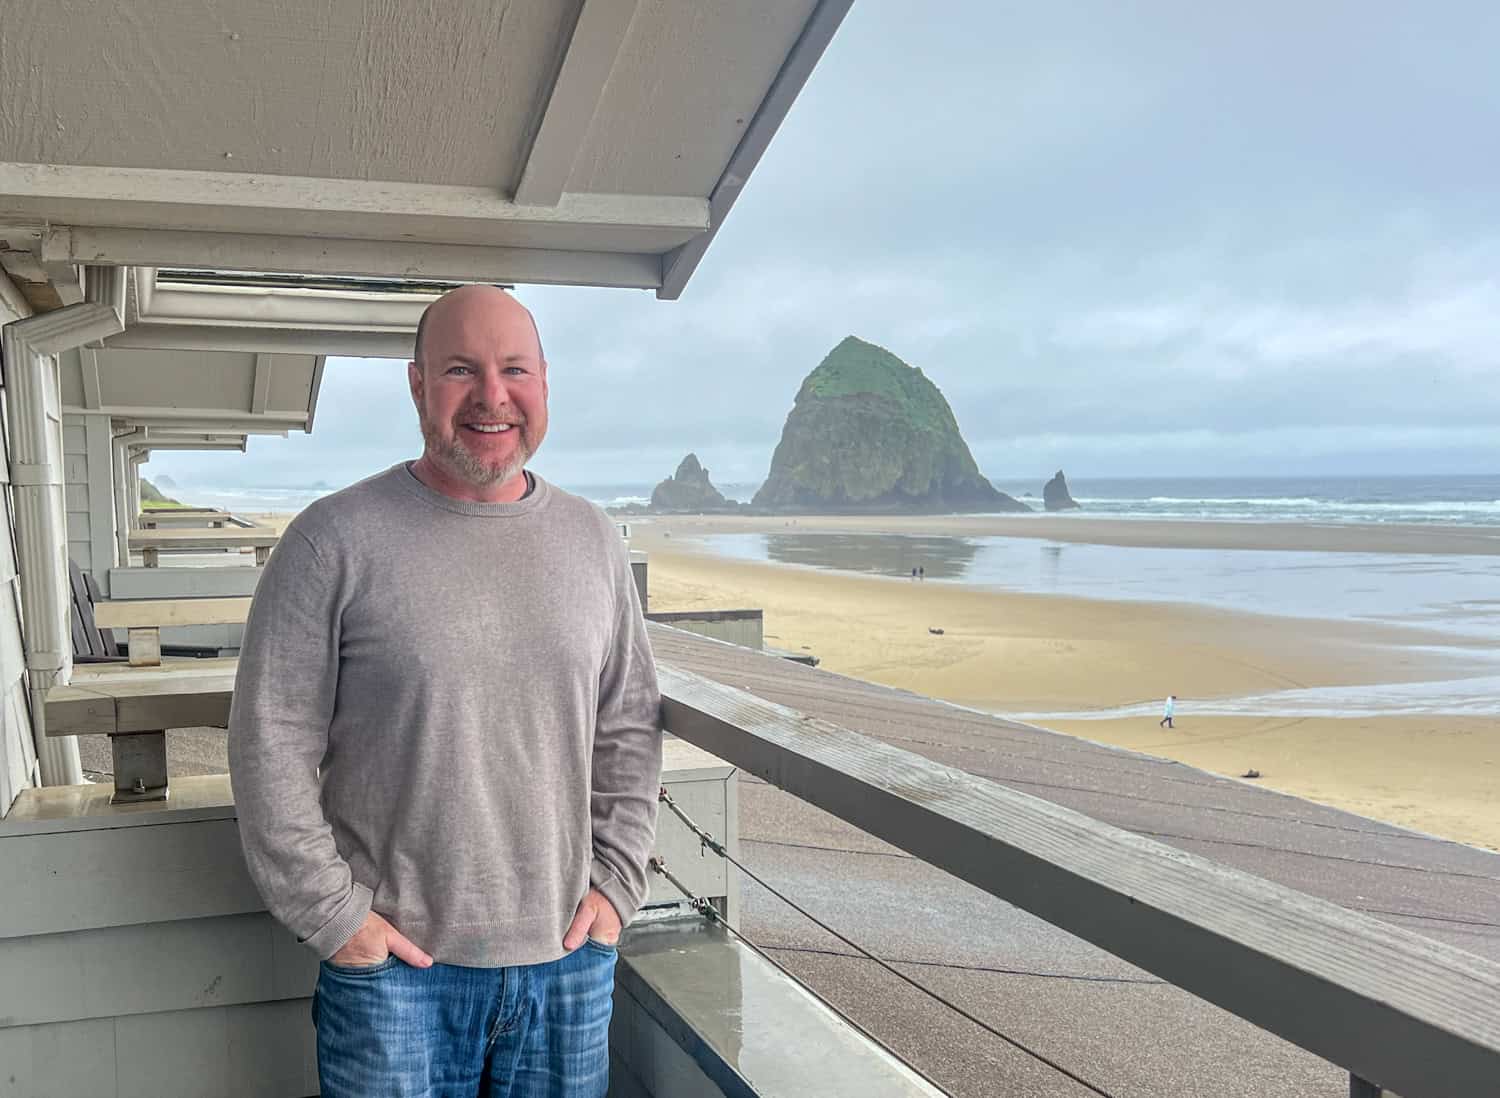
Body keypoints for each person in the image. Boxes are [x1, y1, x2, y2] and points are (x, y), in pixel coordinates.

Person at [228, 285, 663, 1098]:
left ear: (543, 384)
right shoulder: (332, 541)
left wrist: (616, 884)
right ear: (418, 384)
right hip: (395, 976)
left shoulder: (593, 540)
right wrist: (336, 917)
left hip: (566, 967)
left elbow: (629, 725)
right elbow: (270, 741)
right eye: (461, 370)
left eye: (514, 371)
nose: (491, 397)